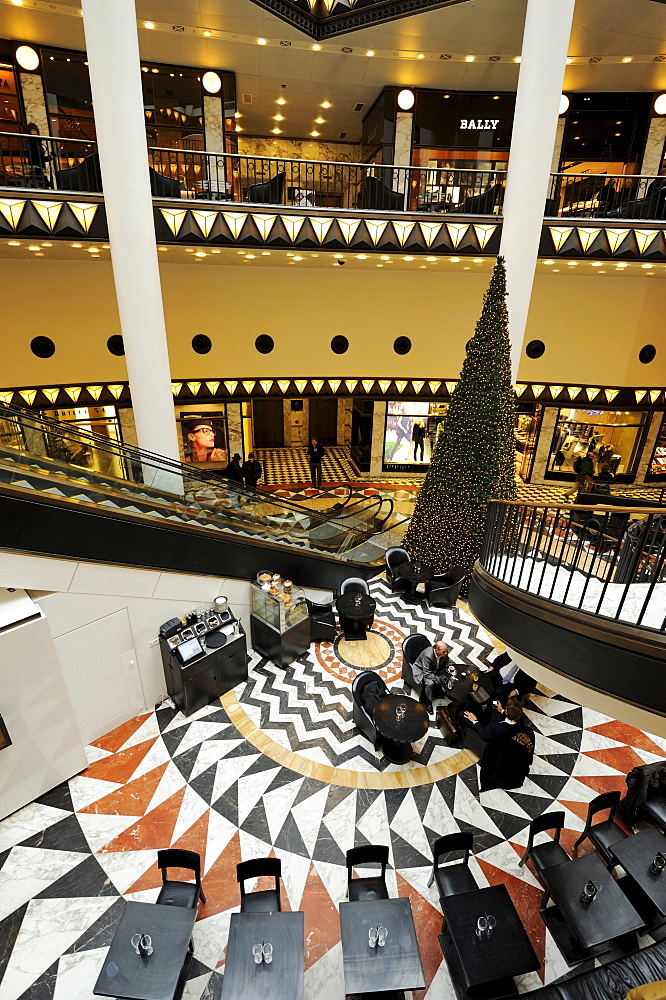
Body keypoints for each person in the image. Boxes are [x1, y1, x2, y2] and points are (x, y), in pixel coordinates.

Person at [412, 639, 455, 716]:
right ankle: (428, 701)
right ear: (436, 650)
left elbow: (448, 662)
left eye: (446, 651)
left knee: (448, 676)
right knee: (430, 683)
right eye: (444, 652)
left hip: (434, 669)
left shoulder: (443, 653)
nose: (446, 653)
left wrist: (450, 667)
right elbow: (427, 674)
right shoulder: (427, 656)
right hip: (422, 670)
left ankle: (445, 692)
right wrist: (439, 679)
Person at [463, 697, 531, 744]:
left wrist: (475, 721)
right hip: (494, 725)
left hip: (486, 731)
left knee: (462, 715)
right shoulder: (520, 722)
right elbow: (511, 717)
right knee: (494, 701)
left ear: (507, 711)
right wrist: (501, 710)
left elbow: (484, 735)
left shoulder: (498, 728)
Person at [25, 124, 50, 188]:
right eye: (33, 130)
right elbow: (38, 158)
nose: (35, 132)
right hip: (37, 169)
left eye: (35, 131)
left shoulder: (36, 143)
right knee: (40, 184)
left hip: (39, 169)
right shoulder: (32, 143)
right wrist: (49, 158)